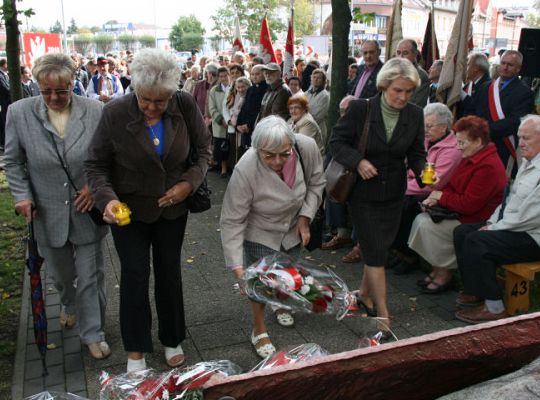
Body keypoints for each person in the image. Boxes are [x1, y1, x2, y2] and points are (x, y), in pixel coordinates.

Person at [85, 48, 211, 372]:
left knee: (169, 272)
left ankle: (172, 338)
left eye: (160, 101)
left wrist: (189, 184)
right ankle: (136, 349)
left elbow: (203, 151)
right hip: (129, 210)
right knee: (134, 275)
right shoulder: (113, 113)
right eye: (146, 100)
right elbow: (96, 166)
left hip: (173, 209)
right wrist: (108, 200)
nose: (153, 108)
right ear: (134, 87)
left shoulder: (183, 103)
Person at [3, 53, 109, 359]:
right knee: (62, 277)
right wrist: (22, 196)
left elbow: (107, 156)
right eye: (46, 90)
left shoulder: (95, 110)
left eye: (61, 91)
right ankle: (67, 302)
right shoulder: (19, 112)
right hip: (46, 211)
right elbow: (12, 161)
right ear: (36, 85)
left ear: (73, 84)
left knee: (90, 276)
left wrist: (94, 186)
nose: (53, 97)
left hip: (86, 210)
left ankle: (92, 333)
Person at [330, 58, 427, 334]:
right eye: (398, 90)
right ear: (384, 85)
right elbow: (336, 142)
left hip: (394, 193)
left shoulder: (415, 114)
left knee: (378, 248)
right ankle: (383, 313)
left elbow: (416, 154)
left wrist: (426, 175)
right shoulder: (362, 108)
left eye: (409, 91)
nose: (403, 97)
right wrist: (358, 161)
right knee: (375, 254)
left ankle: (363, 293)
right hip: (362, 194)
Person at [220, 116, 325, 358]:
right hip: (260, 228)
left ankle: (280, 303)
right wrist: (239, 271)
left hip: (292, 226)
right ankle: (259, 329)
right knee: (259, 282)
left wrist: (305, 218)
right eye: (268, 155)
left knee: (287, 272)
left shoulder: (305, 146)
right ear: (257, 149)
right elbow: (232, 220)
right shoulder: (245, 168)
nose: (277, 161)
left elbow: (317, 183)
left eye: (284, 154)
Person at [453, 115, 540, 323]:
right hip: (516, 227)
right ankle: (477, 290)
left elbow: (530, 216)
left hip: (533, 236)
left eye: (526, 138)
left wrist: (493, 229)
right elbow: (508, 201)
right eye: (520, 138)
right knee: (462, 232)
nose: (521, 144)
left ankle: (494, 307)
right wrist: (492, 223)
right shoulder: (529, 162)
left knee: (477, 240)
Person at [408, 115, 507, 294]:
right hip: (462, 212)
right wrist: (437, 197)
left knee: (427, 225)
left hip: (477, 218)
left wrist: (440, 196)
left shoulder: (487, 166)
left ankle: (445, 273)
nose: (458, 147)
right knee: (421, 219)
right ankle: (438, 268)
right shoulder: (470, 156)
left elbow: (470, 205)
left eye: (462, 142)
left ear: (477, 141)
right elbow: (452, 185)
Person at [390, 103, 462, 275]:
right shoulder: (425, 141)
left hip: (432, 193)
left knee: (404, 206)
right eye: (423, 125)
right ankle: (399, 250)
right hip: (415, 188)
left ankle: (409, 255)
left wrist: (402, 186)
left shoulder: (451, 150)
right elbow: (410, 168)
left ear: (443, 127)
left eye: (428, 126)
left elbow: (433, 183)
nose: (424, 130)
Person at [470, 50, 534, 177]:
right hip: (478, 143)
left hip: (502, 146)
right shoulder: (486, 86)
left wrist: (484, 130)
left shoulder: (524, 92)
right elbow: (474, 110)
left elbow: (515, 121)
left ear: (518, 68)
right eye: (503, 63)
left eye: (510, 65)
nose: (505, 67)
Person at [236, 64, 268, 149]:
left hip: (257, 126)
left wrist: (249, 125)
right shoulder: (250, 89)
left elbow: (260, 110)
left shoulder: (267, 89)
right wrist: (239, 124)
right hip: (245, 128)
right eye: (252, 74)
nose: (254, 77)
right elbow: (245, 107)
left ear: (264, 74)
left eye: (257, 74)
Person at [208, 66, 230, 177]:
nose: (223, 78)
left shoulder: (233, 88)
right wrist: (221, 120)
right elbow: (211, 108)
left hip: (232, 122)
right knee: (221, 146)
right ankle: (223, 168)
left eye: (225, 75)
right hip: (220, 124)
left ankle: (231, 166)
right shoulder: (214, 90)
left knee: (231, 145)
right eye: (221, 76)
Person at [223, 76, 252, 162]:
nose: (241, 89)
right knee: (234, 153)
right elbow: (231, 110)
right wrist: (232, 122)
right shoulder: (237, 96)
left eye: (243, 87)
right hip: (235, 127)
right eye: (238, 87)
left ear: (248, 86)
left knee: (243, 153)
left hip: (245, 129)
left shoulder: (250, 97)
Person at [396, 39, 429, 107]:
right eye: (398, 53)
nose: (400, 57)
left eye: (405, 53)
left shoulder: (420, 76)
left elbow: (414, 105)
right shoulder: (393, 72)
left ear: (415, 54)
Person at [306, 68, 330, 147]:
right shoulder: (307, 93)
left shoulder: (325, 96)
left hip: (317, 129)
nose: (316, 79)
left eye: (319, 78)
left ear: (323, 80)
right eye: (314, 77)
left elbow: (318, 116)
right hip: (305, 128)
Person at [0, 58, 10, 151]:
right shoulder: (0, 76)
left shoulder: (8, 75)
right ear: (4, 65)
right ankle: (3, 143)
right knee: (4, 123)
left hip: (8, 102)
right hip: (4, 103)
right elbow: (4, 88)